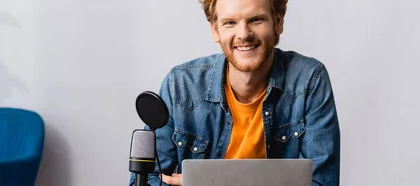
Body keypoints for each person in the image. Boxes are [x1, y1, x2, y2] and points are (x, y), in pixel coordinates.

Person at [129, 0, 340, 185]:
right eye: (230, 22)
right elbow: (148, 180)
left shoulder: (309, 80)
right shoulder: (180, 86)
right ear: (215, 29)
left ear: (278, 22)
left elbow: (321, 182)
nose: (244, 34)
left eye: (256, 20)